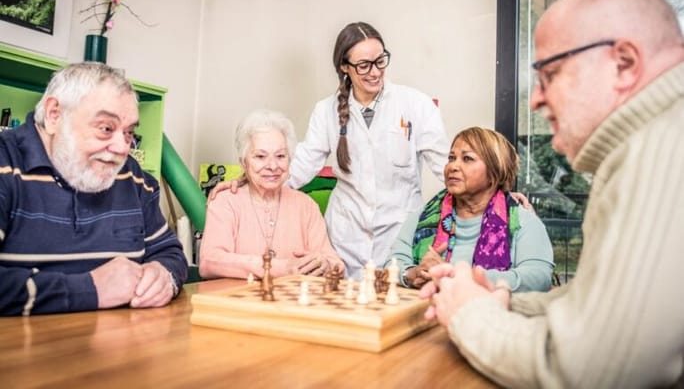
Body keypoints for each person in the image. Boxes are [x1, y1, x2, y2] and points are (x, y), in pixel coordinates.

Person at [420, 0, 684, 387]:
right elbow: (602, 305)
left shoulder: (663, 147)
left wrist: (468, 315)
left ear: (624, 63)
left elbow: (601, 370)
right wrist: (502, 301)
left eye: (550, 74)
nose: (535, 100)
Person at [211, 22, 451, 280]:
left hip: (397, 237)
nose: (375, 72)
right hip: (345, 240)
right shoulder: (326, 111)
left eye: (380, 60)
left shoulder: (417, 105)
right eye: (363, 65)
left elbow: (447, 168)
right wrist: (247, 182)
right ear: (344, 67)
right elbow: (298, 167)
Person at [0, 62, 188, 316]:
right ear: (55, 115)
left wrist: (164, 275)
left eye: (129, 133)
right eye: (106, 129)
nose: (123, 147)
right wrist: (90, 289)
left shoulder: (132, 176)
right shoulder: (5, 165)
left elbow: (169, 252)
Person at [387, 127, 553, 292]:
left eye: (467, 158)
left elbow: (538, 278)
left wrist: (460, 277)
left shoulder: (524, 222)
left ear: (495, 171)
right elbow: (393, 262)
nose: (453, 166)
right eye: (451, 158)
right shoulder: (423, 216)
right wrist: (412, 274)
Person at [199, 109, 345, 280]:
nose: (272, 166)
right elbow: (209, 262)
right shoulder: (226, 201)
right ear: (243, 162)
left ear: (290, 159)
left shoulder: (306, 206)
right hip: (238, 303)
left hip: (292, 304)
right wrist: (283, 267)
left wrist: (325, 264)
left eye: (280, 156)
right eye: (260, 156)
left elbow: (334, 263)